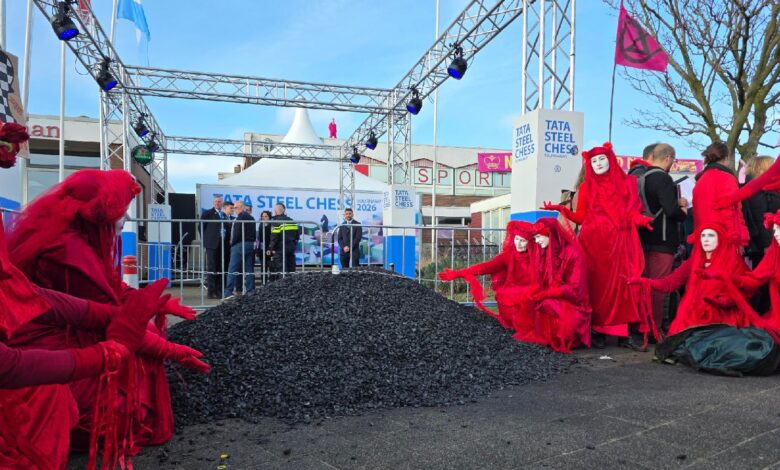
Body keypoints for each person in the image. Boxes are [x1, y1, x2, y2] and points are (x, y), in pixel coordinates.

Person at [7, 169, 209, 458]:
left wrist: (158, 304)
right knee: (141, 351)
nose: (126, 219)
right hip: (46, 348)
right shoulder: (68, 253)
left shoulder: (77, 240)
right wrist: (170, 349)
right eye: (122, 211)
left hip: (67, 326)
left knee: (146, 335)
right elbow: (109, 320)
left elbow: (109, 296)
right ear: (98, 214)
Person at [543, 142, 654, 348]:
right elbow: (581, 217)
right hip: (594, 245)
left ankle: (623, 333)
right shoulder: (586, 188)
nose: (598, 163)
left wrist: (640, 220)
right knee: (596, 287)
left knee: (623, 287)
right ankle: (598, 331)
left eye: (602, 158)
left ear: (611, 159)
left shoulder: (627, 183)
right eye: (593, 161)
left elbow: (631, 212)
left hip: (621, 244)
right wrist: (562, 209)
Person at [630, 224, 772, 338]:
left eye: (711, 235)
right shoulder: (693, 262)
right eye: (703, 235)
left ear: (720, 239)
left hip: (724, 321)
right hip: (693, 318)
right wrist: (645, 282)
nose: (706, 239)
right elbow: (669, 283)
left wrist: (726, 301)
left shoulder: (734, 262)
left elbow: (749, 288)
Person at [439, 221, 539, 333]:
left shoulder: (539, 255)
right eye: (516, 239)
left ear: (530, 242)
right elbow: (485, 267)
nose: (518, 244)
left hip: (535, 292)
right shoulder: (508, 255)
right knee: (509, 297)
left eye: (523, 240)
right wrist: (459, 273)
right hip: (514, 293)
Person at [637, 144, 689, 336]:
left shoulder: (641, 179)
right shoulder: (663, 178)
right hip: (663, 238)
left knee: (645, 284)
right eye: (673, 161)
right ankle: (654, 329)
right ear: (668, 157)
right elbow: (671, 210)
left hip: (644, 237)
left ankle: (642, 326)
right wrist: (682, 209)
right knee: (659, 287)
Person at [528, 218, 591, 352]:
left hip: (574, 303)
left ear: (550, 234)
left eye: (538, 236)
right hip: (557, 299)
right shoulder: (545, 252)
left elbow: (576, 289)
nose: (537, 241)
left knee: (546, 303)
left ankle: (565, 335)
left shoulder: (573, 253)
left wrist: (547, 294)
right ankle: (552, 336)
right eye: (535, 238)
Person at [741, 156, 780, 314]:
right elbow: (759, 217)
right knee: (765, 284)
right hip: (766, 245)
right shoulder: (758, 189)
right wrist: (766, 244)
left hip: (769, 242)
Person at [692, 142, 748, 247]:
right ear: (726, 158)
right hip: (724, 237)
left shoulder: (700, 180)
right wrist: (739, 240)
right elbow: (733, 211)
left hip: (704, 237)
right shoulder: (727, 178)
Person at [224, 200, 257, 299]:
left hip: (239, 245)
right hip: (249, 245)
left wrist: (232, 243)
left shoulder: (240, 217)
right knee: (248, 269)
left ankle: (228, 292)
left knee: (232, 268)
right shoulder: (251, 218)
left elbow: (237, 233)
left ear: (241, 207)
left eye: (236, 208)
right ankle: (250, 290)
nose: (234, 210)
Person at [201, 195, 228, 299]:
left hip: (222, 244)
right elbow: (201, 227)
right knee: (212, 267)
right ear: (213, 203)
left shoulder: (224, 215)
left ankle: (219, 290)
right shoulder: (207, 213)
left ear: (222, 203)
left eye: (220, 202)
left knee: (220, 267)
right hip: (212, 245)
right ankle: (211, 291)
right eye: (216, 202)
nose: (218, 203)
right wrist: (207, 239)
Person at [267, 203, 300, 279]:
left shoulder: (276, 222)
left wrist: (271, 248)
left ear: (275, 211)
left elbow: (274, 237)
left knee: (281, 270)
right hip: (291, 248)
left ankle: (283, 289)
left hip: (280, 249)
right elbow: (297, 236)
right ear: (284, 210)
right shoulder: (292, 221)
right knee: (291, 269)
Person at [257, 210, 273, 282]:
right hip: (261, 249)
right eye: (262, 216)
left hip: (269, 249)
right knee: (263, 267)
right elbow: (259, 239)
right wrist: (257, 249)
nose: (264, 218)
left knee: (271, 267)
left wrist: (270, 248)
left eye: (266, 216)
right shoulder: (260, 225)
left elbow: (272, 238)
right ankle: (263, 283)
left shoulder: (272, 226)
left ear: (269, 217)